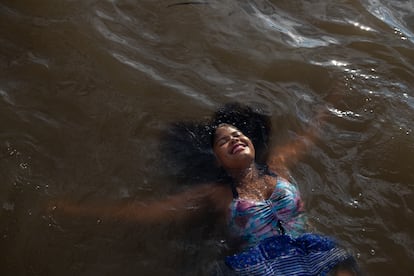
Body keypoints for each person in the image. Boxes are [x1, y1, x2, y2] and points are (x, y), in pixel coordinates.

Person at [50, 103, 360, 275]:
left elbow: (309, 136)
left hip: (313, 251)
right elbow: (146, 213)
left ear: (252, 142)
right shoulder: (217, 194)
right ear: (217, 158)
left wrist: (333, 102)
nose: (234, 140)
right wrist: (75, 209)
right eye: (224, 141)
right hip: (264, 266)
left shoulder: (278, 166)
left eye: (239, 135)